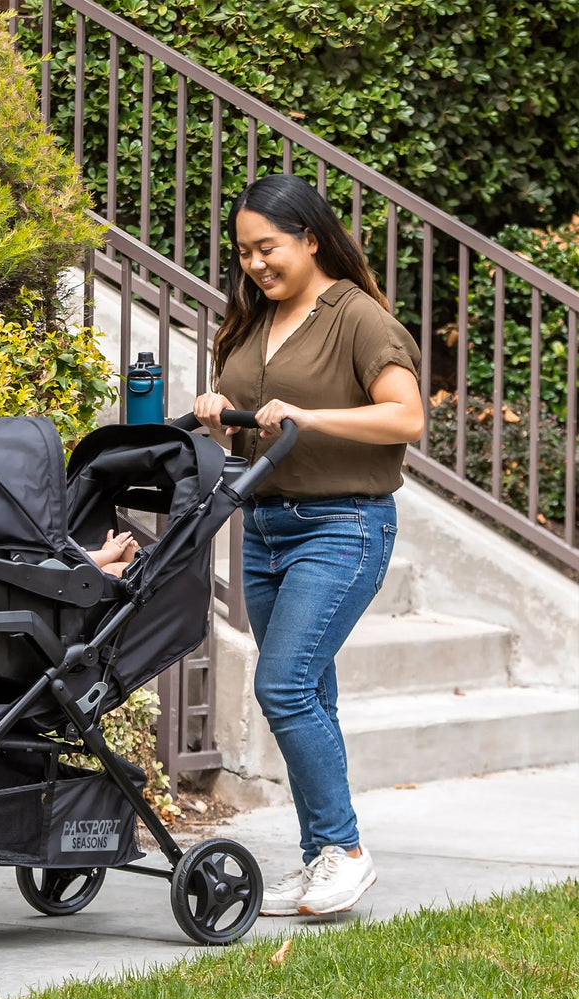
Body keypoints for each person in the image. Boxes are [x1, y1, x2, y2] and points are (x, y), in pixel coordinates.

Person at [194, 173, 424, 917]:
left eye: (269, 248)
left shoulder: (357, 318)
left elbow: (405, 418)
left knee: (283, 687)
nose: (256, 264)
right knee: (309, 693)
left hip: (342, 525)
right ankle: (321, 856)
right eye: (244, 253)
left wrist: (313, 417)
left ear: (311, 239)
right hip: (262, 528)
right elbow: (254, 418)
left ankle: (346, 851)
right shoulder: (252, 321)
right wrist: (215, 415)